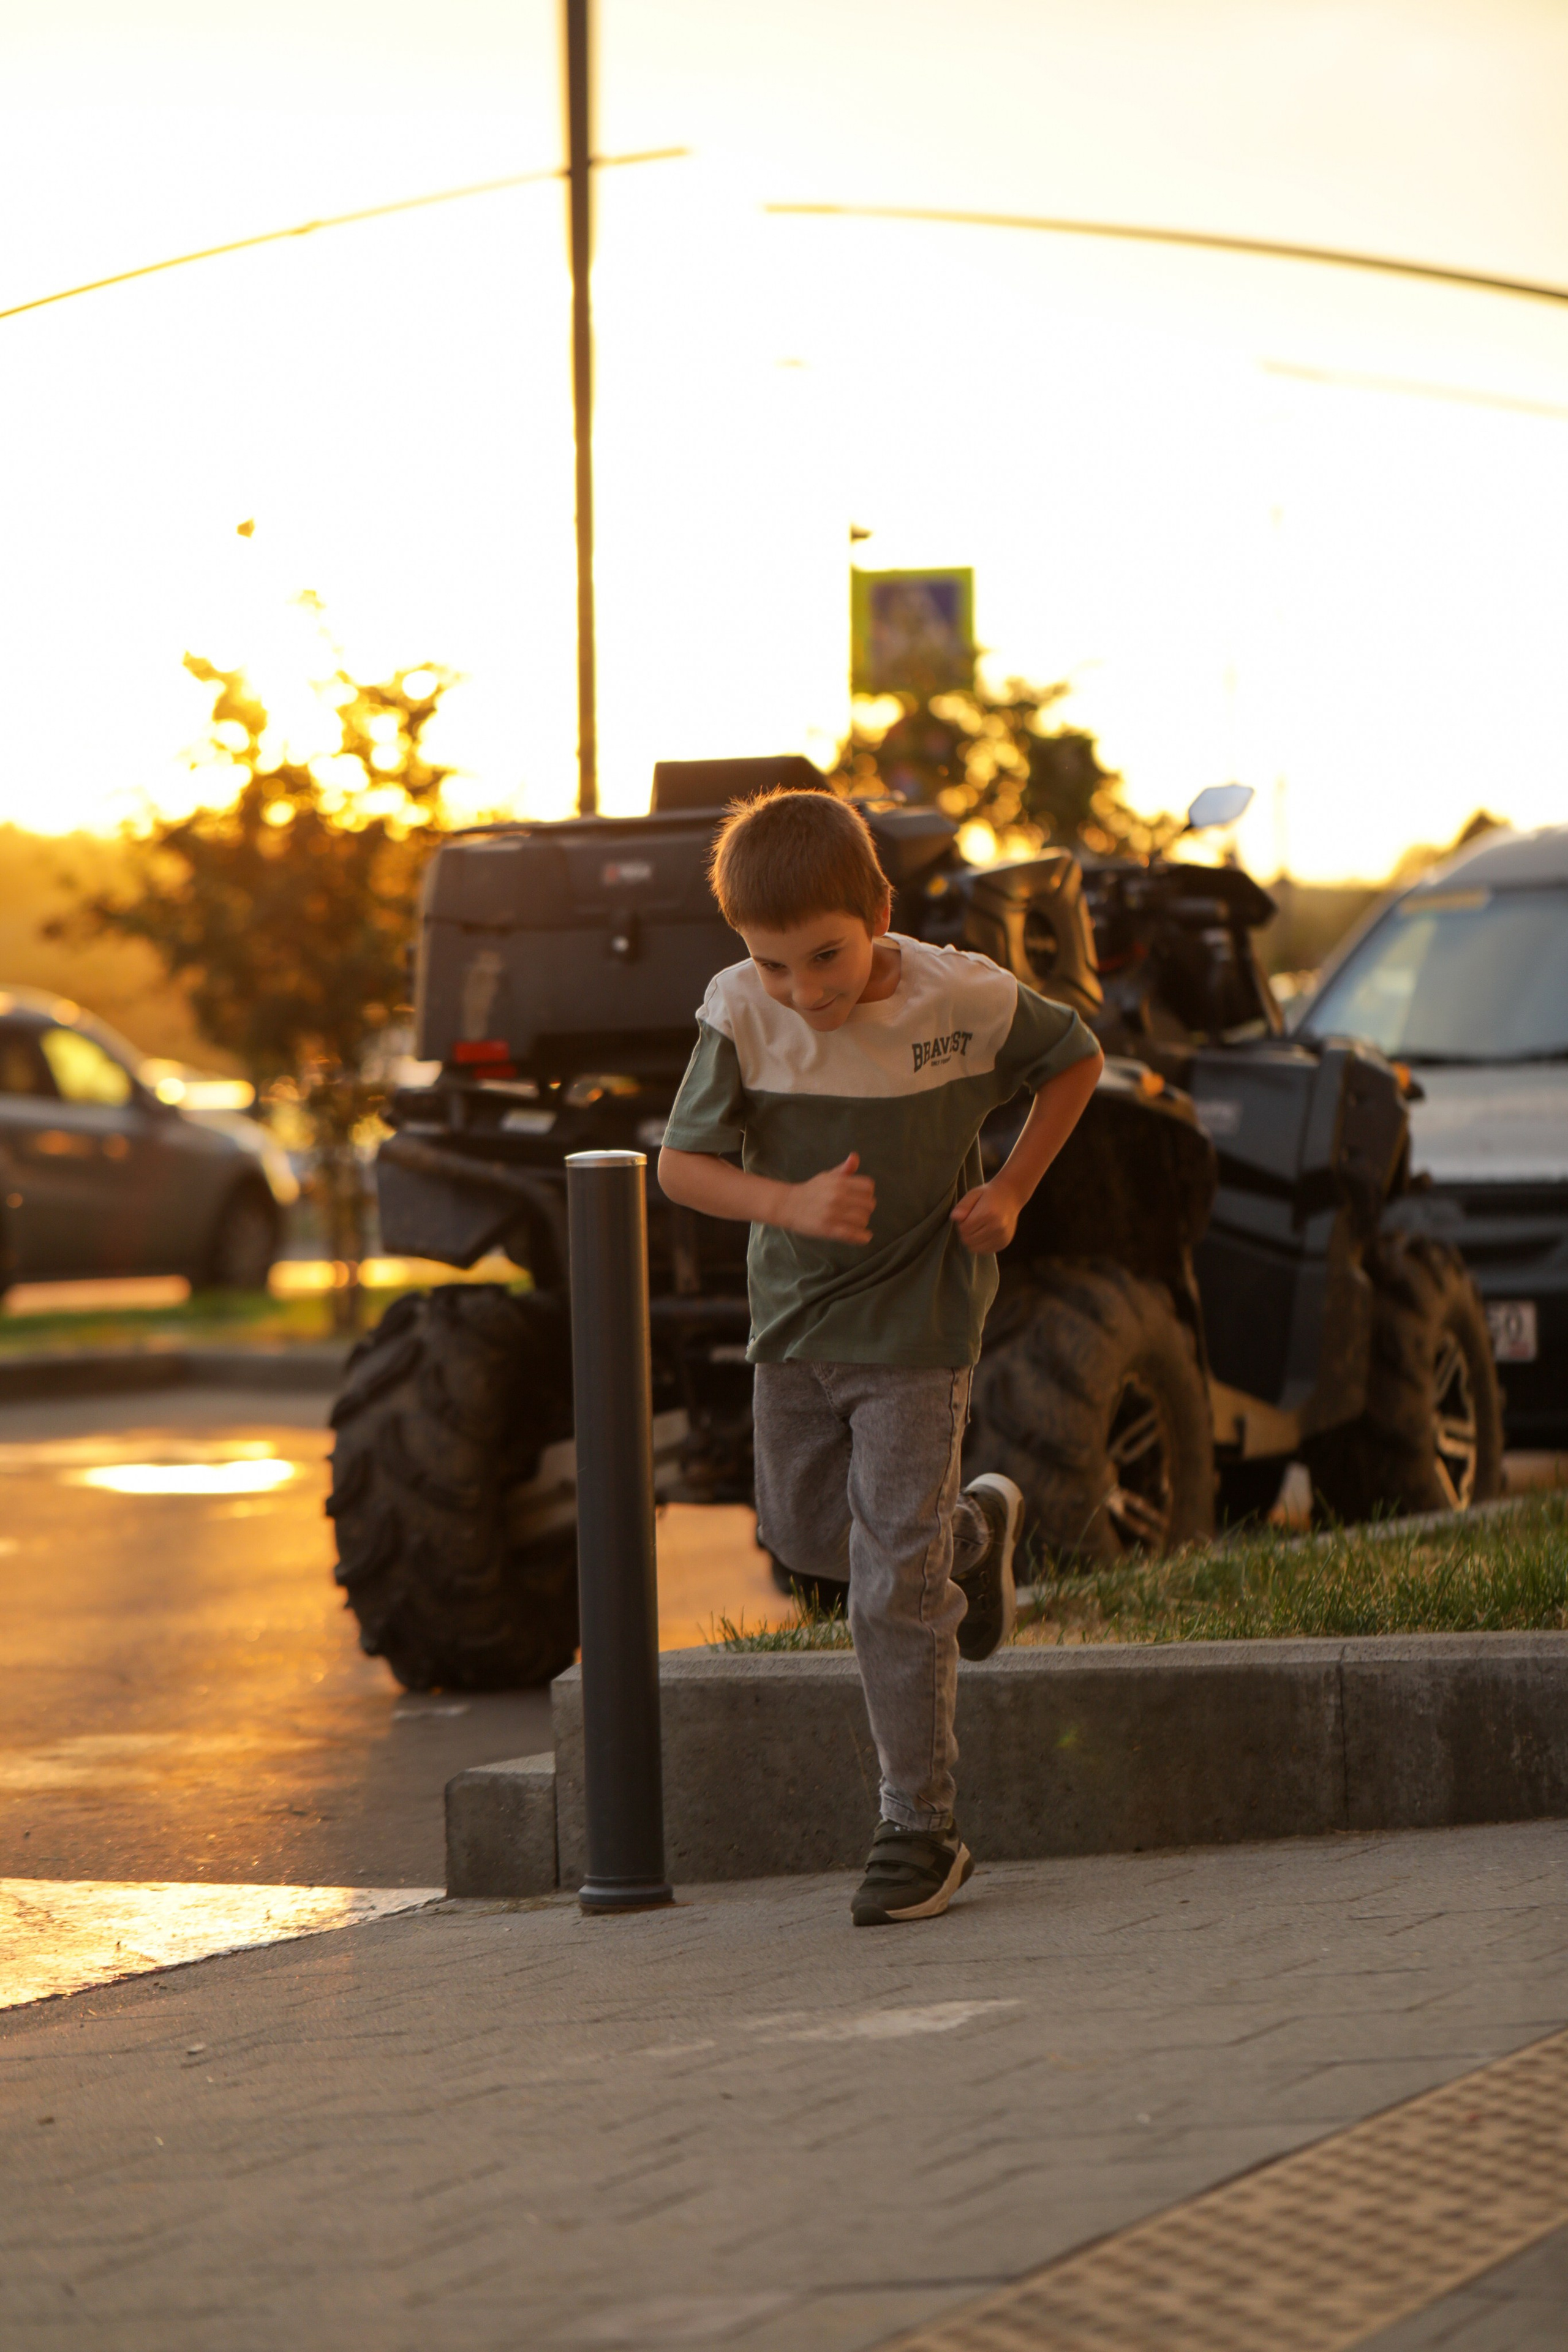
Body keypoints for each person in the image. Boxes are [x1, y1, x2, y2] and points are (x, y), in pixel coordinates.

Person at [658, 789, 1104, 1926]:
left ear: (880, 915)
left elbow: (1077, 1058)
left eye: (828, 956)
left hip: (918, 1325)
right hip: (795, 1329)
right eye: (774, 963)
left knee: (888, 1591)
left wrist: (1012, 1188)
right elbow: (681, 1168)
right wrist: (788, 1203)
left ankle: (921, 1827)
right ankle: (974, 1537)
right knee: (810, 1538)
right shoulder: (740, 1013)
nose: (806, 991)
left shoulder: (962, 997)